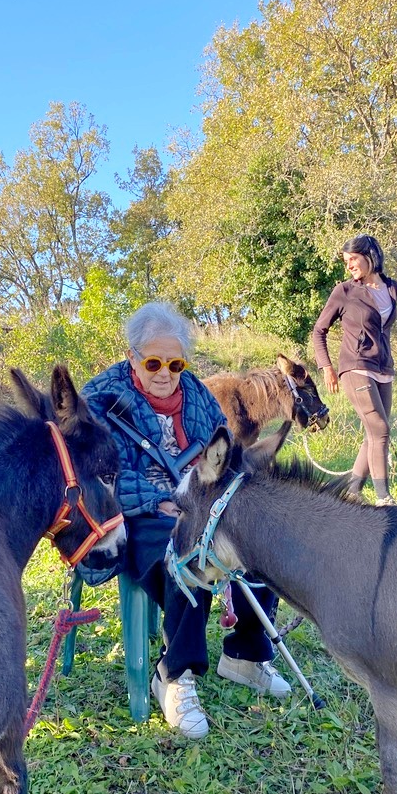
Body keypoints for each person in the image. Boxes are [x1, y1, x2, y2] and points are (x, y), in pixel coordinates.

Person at [82, 301, 290, 740]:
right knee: (186, 555)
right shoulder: (99, 399)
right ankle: (174, 675)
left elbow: (224, 451)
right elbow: (95, 473)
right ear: (132, 356)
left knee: (254, 539)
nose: (165, 373)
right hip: (140, 514)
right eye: (153, 362)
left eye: (174, 363)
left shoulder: (195, 392)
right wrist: (159, 501)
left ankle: (245, 656)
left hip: (198, 499)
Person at [312, 234, 397, 505]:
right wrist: (326, 366)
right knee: (380, 429)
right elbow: (319, 330)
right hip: (355, 366)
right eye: (346, 261)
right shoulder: (345, 291)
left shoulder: (393, 287)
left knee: (373, 432)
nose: (349, 265)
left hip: (383, 367)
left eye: (353, 259)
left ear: (370, 256)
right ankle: (384, 498)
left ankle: (351, 492)